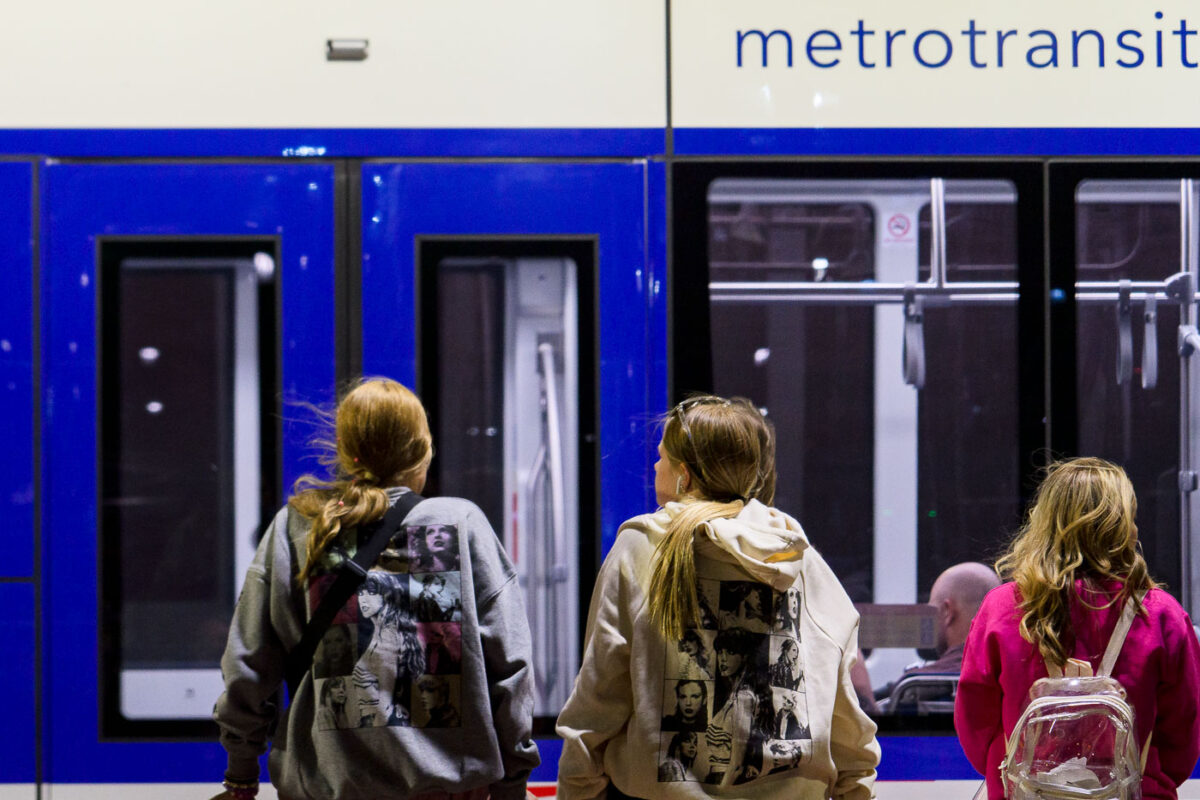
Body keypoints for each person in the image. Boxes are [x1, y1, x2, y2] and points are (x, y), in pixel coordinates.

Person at [211, 378, 538, 800]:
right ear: (424, 451)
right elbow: (511, 667)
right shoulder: (463, 523)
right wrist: (512, 780)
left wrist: (241, 772)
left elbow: (249, 664)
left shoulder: (297, 526)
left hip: (325, 789)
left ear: (347, 451)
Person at [556, 394, 879, 800]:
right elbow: (842, 707)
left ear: (683, 476)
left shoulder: (642, 550)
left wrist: (576, 790)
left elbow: (598, 696)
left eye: (662, 457)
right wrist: (856, 789)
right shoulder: (800, 559)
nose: (655, 466)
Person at [955, 457, 1200, 800]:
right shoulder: (1162, 616)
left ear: (1043, 522)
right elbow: (1182, 741)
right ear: (1123, 526)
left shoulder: (1002, 609)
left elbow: (975, 727)